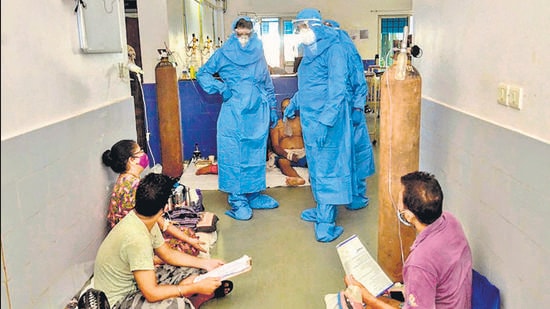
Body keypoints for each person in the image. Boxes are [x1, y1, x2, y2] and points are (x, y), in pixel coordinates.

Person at [93, 173, 233, 308]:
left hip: (139, 282)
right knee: (178, 306)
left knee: (197, 270)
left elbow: (167, 254)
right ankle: (195, 297)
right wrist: (193, 287)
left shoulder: (145, 219)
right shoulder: (136, 239)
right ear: (164, 208)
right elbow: (151, 294)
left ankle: (196, 294)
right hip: (121, 299)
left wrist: (205, 263)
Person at [343, 171, 472, 308]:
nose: (397, 204)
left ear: (409, 216)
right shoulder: (451, 221)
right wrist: (391, 292)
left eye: (399, 200)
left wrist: (367, 298)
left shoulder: (419, 262)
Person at [196, 16, 279, 221]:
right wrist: (221, 87)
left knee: (254, 154)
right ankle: (238, 199)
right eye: (240, 33)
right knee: (234, 154)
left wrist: (273, 107)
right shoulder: (224, 53)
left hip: (258, 112)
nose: (243, 37)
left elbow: (266, 82)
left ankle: (253, 193)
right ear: (234, 32)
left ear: (253, 33)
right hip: (234, 111)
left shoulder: (258, 52)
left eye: (247, 34)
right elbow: (202, 74)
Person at [284, 8, 353, 242]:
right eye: (298, 28)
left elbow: (337, 90)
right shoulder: (309, 53)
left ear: (315, 25)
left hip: (329, 121)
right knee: (316, 166)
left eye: (303, 27)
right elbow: (308, 87)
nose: (301, 32)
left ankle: (326, 220)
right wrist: (294, 103)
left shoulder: (334, 50)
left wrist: (325, 122)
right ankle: (322, 207)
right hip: (311, 121)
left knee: (328, 167)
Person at [102, 140, 206, 262]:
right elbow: (159, 221)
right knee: (188, 245)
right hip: (132, 241)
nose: (144, 154)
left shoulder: (125, 179)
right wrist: (188, 240)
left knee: (186, 233)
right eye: (140, 151)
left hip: (125, 236)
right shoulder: (135, 186)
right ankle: (149, 260)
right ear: (132, 159)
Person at [323, 19, 376, 210]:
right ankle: (339, 193)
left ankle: (357, 194)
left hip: (349, 108)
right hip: (333, 111)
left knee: (356, 152)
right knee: (339, 154)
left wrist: (357, 108)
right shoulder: (323, 51)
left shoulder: (347, 49)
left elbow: (359, 82)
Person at [269, 98, 307, 186]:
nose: (287, 109)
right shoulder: (277, 125)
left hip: (303, 153)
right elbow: (275, 146)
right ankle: (298, 178)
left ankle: (314, 179)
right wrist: (288, 155)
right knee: (282, 162)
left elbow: (309, 140)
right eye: (284, 108)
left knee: (313, 160)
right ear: (281, 110)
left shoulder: (301, 121)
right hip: (286, 154)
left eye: (289, 106)